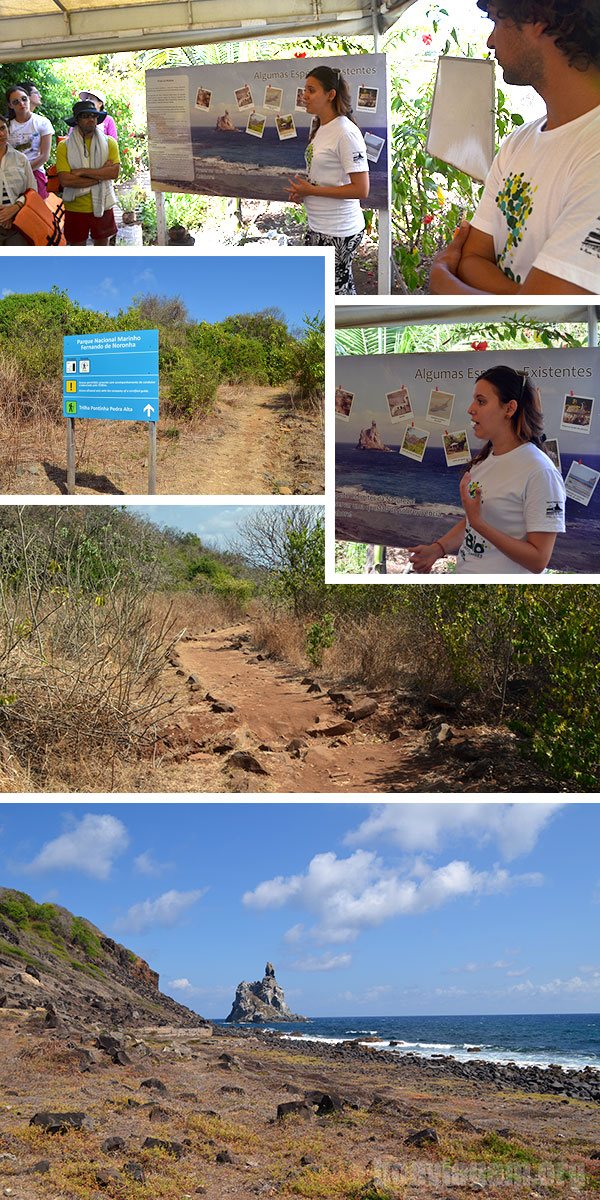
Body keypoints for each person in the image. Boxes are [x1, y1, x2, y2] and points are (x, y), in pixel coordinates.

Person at [430, 0, 600, 295]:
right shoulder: (519, 141)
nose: (490, 41)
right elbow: (472, 258)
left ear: (538, 19)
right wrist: (524, 298)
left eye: (496, 20)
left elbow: (547, 317)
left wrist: (444, 281)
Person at [410, 366, 567, 575]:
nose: (471, 409)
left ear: (509, 408)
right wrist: (438, 549)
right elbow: (474, 520)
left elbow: (538, 560)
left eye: (481, 401)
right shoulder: (483, 461)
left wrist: (479, 524)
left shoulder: (540, 472)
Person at [288, 66, 369, 295]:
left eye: (311, 90)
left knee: (333, 295)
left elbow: (361, 189)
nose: (305, 96)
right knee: (329, 290)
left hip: (339, 230)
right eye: (305, 90)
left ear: (330, 95)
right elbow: (326, 178)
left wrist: (312, 191)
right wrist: (306, 190)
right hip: (319, 227)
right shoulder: (321, 128)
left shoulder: (346, 133)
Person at [56, 99, 120, 246]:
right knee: (77, 248)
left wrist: (81, 171)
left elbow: (114, 173)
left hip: (103, 203)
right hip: (75, 206)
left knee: (102, 246)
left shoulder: (109, 143)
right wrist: (100, 176)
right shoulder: (64, 146)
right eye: (85, 116)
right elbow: (66, 180)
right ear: (77, 120)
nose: (91, 119)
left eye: (93, 116)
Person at [6, 84, 53, 200]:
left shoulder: (42, 122)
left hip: (35, 172)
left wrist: (24, 171)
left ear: (28, 98)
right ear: (10, 105)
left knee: (36, 211)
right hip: (10, 174)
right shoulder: (6, 126)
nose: (22, 104)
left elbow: (44, 156)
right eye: (16, 102)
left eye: (24, 99)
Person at [0, 113, 38, 246]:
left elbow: (32, 190)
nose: (1, 134)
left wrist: (15, 208)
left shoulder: (21, 159)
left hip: (19, 223)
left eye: (2, 128)